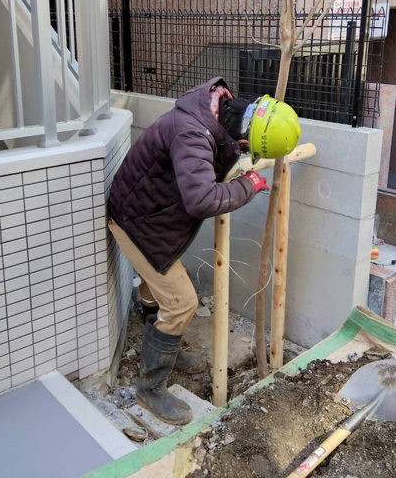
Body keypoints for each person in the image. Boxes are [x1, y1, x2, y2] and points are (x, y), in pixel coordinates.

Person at [108, 77, 301, 425]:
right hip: (138, 224)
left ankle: (164, 347)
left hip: (148, 215)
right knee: (181, 302)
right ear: (246, 138)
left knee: (158, 289)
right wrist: (248, 185)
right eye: (246, 149)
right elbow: (201, 199)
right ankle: (150, 387)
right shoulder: (193, 134)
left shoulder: (211, 110)